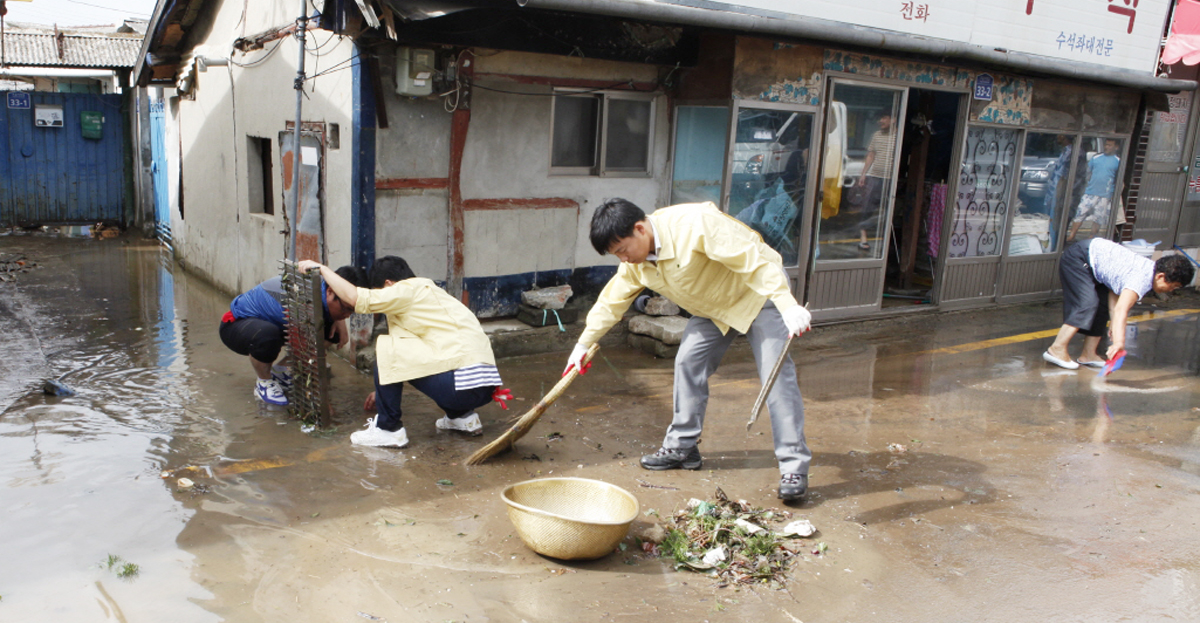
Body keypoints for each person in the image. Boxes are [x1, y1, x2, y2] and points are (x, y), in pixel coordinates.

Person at [564, 198, 814, 501]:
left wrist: (787, 306)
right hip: (713, 308)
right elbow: (612, 301)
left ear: (640, 229)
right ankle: (683, 448)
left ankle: (794, 467)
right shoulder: (636, 263)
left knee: (776, 379)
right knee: (688, 363)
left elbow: (754, 262)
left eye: (622, 250)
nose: (623, 260)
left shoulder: (695, 224)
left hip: (758, 294)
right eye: (616, 255)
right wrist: (583, 344)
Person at [299, 256, 511, 448]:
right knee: (407, 350)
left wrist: (322, 269)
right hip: (484, 387)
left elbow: (356, 298)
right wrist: (384, 391)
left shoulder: (405, 290)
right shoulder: (433, 293)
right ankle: (462, 417)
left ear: (389, 284)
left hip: (458, 383)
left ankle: (388, 429)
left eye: (379, 291)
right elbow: (417, 357)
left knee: (385, 345)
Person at [218, 266, 360, 406]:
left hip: (275, 324)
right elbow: (302, 346)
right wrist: (322, 403)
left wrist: (338, 319)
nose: (347, 316)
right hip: (236, 325)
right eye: (346, 309)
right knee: (267, 336)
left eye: (352, 311)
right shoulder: (303, 300)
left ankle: (280, 371)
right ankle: (264, 382)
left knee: (331, 333)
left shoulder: (323, 289)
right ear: (330, 292)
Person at [1043, 238, 1193, 369]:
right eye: (1173, 286)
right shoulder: (1140, 280)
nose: (1171, 290)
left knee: (1101, 308)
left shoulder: (1148, 271)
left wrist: (1115, 324)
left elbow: (1115, 294)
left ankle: (1088, 354)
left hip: (1095, 264)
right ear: (1161, 276)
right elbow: (1122, 309)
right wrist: (1119, 343)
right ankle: (1057, 349)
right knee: (1087, 304)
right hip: (1079, 257)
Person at [856, 112, 897, 252]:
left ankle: (887, 241)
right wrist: (863, 174)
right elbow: (871, 155)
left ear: (893, 120)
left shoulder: (899, 136)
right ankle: (863, 237)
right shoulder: (877, 135)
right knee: (868, 206)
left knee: (889, 209)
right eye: (880, 118)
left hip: (892, 178)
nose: (881, 121)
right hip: (875, 176)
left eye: (884, 117)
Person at [1068, 139, 1121, 241]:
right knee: (1080, 212)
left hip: (1105, 195)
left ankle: (1092, 237)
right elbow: (1087, 173)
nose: (1106, 147)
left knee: (1098, 218)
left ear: (1116, 147)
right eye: (1106, 144)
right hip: (1090, 192)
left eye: (1110, 145)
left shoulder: (1118, 161)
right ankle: (1072, 235)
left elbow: (1118, 179)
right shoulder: (1096, 158)